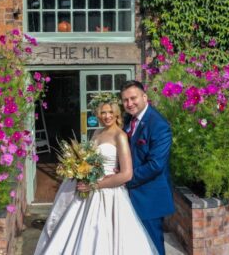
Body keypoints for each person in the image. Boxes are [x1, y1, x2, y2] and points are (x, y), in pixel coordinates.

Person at [34, 94, 157, 255]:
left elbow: (126, 174)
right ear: (98, 114)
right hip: (87, 189)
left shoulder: (120, 136)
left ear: (117, 113)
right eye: (103, 112)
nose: (107, 116)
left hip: (108, 193)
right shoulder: (97, 132)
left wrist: (94, 185)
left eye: (110, 112)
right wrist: (80, 170)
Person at [120, 80, 175, 255]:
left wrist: (125, 178)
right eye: (125, 100)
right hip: (129, 196)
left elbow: (156, 165)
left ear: (145, 97)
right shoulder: (129, 120)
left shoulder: (159, 125)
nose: (129, 103)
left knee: (152, 245)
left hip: (149, 197)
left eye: (133, 98)